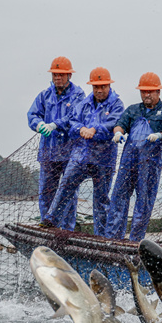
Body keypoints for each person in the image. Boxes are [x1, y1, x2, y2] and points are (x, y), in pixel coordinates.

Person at [41, 67, 124, 236]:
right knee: (65, 186)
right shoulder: (84, 103)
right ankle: (51, 221)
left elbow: (113, 124)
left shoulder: (117, 105)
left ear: (109, 85)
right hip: (80, 156)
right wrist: (81, 130)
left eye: (103, 86)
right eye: (96, 87)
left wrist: (94, 129)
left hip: (104, 159)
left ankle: (101, 236)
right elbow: (72, 123)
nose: (99, 90)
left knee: (101, 199)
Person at [106, 72, 162, 242]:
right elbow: (120, 125)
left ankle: (136, 241)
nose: (146, 94)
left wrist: (160, 135)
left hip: (150, 164)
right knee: (118, 198)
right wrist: (117, 133)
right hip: (128, 161)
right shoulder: (132, 110)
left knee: (143, 203)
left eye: (150, 91)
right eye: (143, 91)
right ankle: (112, 238)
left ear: (158, 92)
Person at [27, 57, 85, 229]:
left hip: (70, 153)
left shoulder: (78, 94)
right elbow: (32, 114)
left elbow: (76, 116)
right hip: (48, 152)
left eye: (61, 75)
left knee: (68, 192)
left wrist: (55, 125)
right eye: (55, 74)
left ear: (69, 76)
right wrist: (38, 124)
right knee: (46, 192)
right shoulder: (44, 95)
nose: (58, 78)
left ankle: (67, 230)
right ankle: (48, 227)